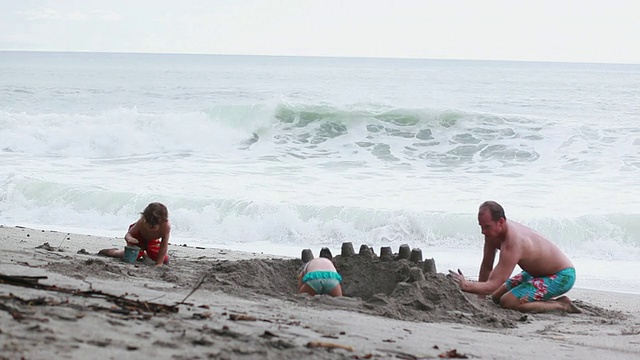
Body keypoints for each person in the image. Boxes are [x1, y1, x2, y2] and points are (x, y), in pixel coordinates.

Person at [449, 201, 581, 313]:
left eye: (487, 227)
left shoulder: (513, 243)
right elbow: (486, 266)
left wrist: (466, 285)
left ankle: (561, 304)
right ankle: (543, 299)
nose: (483, 231)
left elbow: (494, 284)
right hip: (534, 274)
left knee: (507, 302)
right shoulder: (492, 234)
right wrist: (481, 299)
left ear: (501, 222)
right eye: (481, 226)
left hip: (561, 276)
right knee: (496, 297)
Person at [99, 202, 171, 267]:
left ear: (163, 222)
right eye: (147, 224)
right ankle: (113, 251)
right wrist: (130, 238)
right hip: (137, 237)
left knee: (165, 260)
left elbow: (163, 246)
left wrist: (159, 263)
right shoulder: (141, 222)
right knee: (130, 257)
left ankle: (145, 253)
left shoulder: (166, 227)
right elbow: (129, 234)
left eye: (153, 227)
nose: (149, 228)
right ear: (144, 218)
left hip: (152, 241)